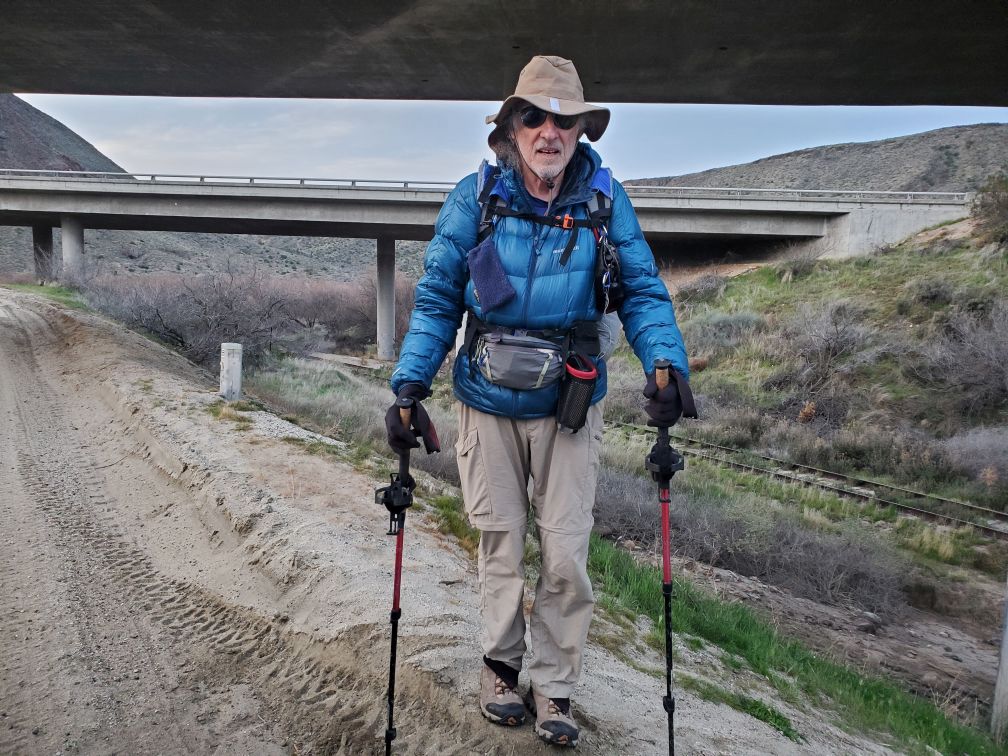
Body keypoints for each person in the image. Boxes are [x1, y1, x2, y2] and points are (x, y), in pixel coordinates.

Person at [386, 55, 693, 748]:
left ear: (582, 130)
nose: (549, 130)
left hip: (569, 404)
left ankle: (554, 685)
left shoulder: (606, 203)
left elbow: (641, 291)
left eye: (564, 119)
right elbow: (437, 297)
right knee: (500, 541)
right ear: (512, 126)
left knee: (565, 553)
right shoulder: (476, 197)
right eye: (536, 116)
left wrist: (666, 365)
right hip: (485, 400)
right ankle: (502, 668)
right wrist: (410, 384)